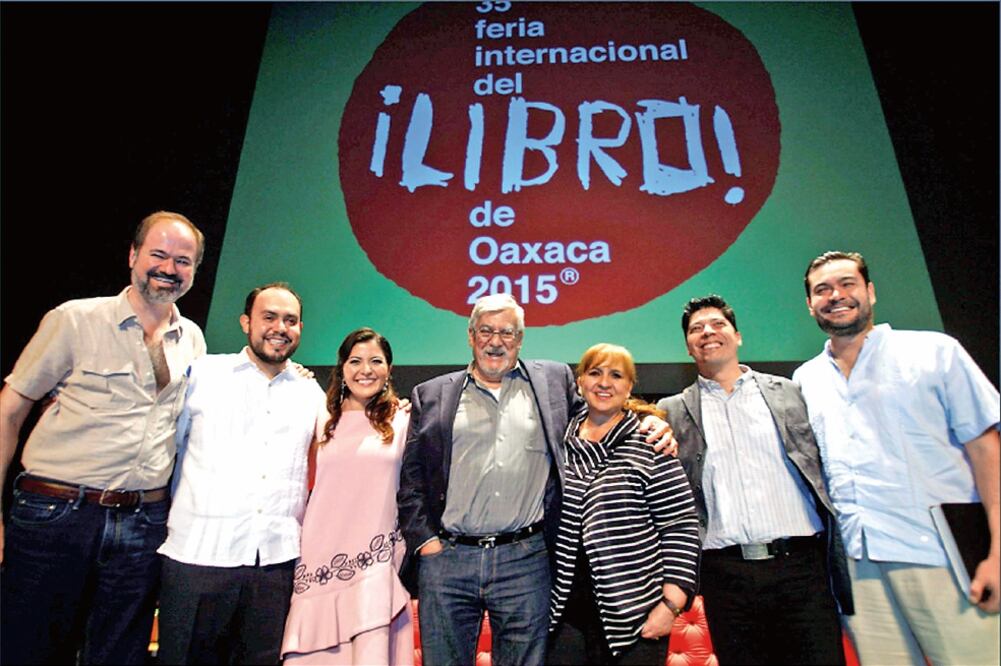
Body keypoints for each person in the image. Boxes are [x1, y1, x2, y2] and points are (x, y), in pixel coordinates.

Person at [397, 293, 675, 666]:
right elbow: (411, 480)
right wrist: (426, 543)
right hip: (448, 560)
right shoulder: (431, 394)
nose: (496, 342)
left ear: (521, 339)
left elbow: (600, 415)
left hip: (525, 560)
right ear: (470, 335)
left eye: (507, 333)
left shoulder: (553, 381)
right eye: (486, 331)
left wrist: (647, 419)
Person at [0, 211, 205, 665]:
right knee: (28, 646)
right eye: (159, 254)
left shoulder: (191, 338)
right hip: (57, 513)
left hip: (143, 521)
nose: (169, 268)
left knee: (118, 653)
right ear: (133, 255)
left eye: (183, 261)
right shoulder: (75, 320)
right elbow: (9, 410)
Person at [794, 251, 1000, 665]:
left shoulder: (935, 352)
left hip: (941, 557)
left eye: (847, 284)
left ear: (869, 291)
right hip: (858, 564)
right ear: (810, 304)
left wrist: (998, 552)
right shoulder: (806, 379)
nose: (836, 296)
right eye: (823, 290)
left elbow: (986, 449)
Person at [657, 295, 852, 665]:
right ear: (687, 346)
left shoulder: (790, 393)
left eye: (717, 324)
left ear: (738, 336)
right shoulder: (671, 411)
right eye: (696, 329)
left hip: (801, 569)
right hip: (725, 576)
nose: (708, 333)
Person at [156, 282, 326, 665]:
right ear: (245, 322)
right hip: (198, 557)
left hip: (275, 566)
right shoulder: (203, 375)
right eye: (269, 317)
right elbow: (163, 450)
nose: (280, 327)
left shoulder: (310, 393)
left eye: (290, 320)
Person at [548, 343, 700, 665]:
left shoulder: (651, 443)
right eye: (595, 373)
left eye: (616, 375)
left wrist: (670, 606)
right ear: (579, 382)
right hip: (563, 618)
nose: (605, 383)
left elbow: (681, 528)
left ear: (629, 386)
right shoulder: (557, 440)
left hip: (635, 619)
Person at [282, 327, 414, 665]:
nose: (365, 369)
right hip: (319, 554)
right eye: (355, 361)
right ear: (341, 368)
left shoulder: (405, 419)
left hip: (374, 561)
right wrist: (295, 372)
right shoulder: (320, 415)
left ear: (389, 370)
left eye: (375, 361)